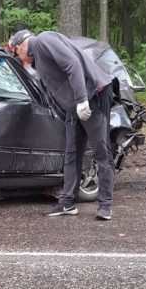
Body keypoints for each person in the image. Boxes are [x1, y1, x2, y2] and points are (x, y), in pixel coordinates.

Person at [12, 30, 115, 220]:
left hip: (92, 96)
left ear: (19, 47)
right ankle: (67, 202)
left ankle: (106, 205)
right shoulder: (38, 61)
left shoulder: (43, 40)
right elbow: (56, 88)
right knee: (72, 152)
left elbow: (73, 65)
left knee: (101, 151)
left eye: (17, 54)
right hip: (75, 107)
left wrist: (83, 99)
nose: (21, 59)